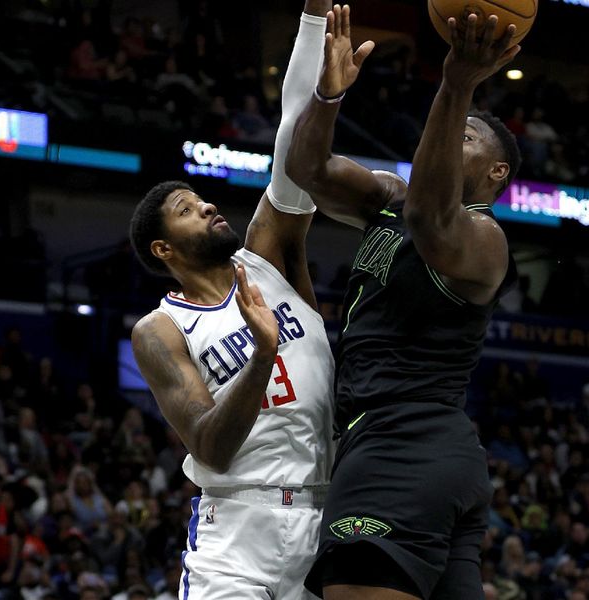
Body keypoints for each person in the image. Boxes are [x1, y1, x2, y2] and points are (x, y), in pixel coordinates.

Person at [286, 6, 521, 599]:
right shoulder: (390, 197)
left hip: (401, 447)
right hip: (422, 453)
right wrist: (328, 96)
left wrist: (457, 83)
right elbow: (306, 168)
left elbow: (429, 216)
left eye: (463, 135)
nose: (444, 136)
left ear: (496, 172)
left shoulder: (485, 241)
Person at [129, 2, 334, 598]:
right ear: (165, 249)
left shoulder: (267, 257)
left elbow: (292, 138)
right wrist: (263, 348)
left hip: (326, 518)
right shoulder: (160, 330)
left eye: (204, 199)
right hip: (237, 528)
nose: (210, 206)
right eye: (189, 211)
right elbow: (212, 447)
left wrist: (314, 20)